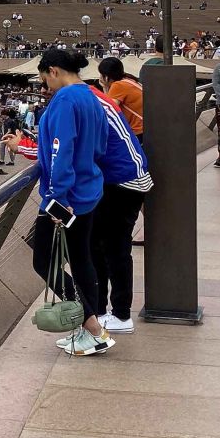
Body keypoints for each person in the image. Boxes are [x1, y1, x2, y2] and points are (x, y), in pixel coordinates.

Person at [33, 47, 114, 356]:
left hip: (66, 197)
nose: (46, 88)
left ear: (54, 71)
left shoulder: (65, 100)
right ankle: (91, 327)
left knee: (44, 260)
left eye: (45, 80)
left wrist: (56, 197)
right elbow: (101, 144)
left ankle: (90, 325)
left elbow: (60, 150)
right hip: (88, 189)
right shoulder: (92, 97)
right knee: (81, 259)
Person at [86, 85, 152, 335]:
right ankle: (102, 310)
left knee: (114, 248)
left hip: (121, 183)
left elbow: (77, 149)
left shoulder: (93, 104)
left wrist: (27, 148)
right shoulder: (97, 100)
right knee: (100, 246)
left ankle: (122, 314)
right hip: (118, 181)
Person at [96, 57, 143, 140]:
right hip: (144, 127)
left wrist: (104, 87)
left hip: (137, 130)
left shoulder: (118, 85)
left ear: (106, 77)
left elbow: (109, 110)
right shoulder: (129, 79)